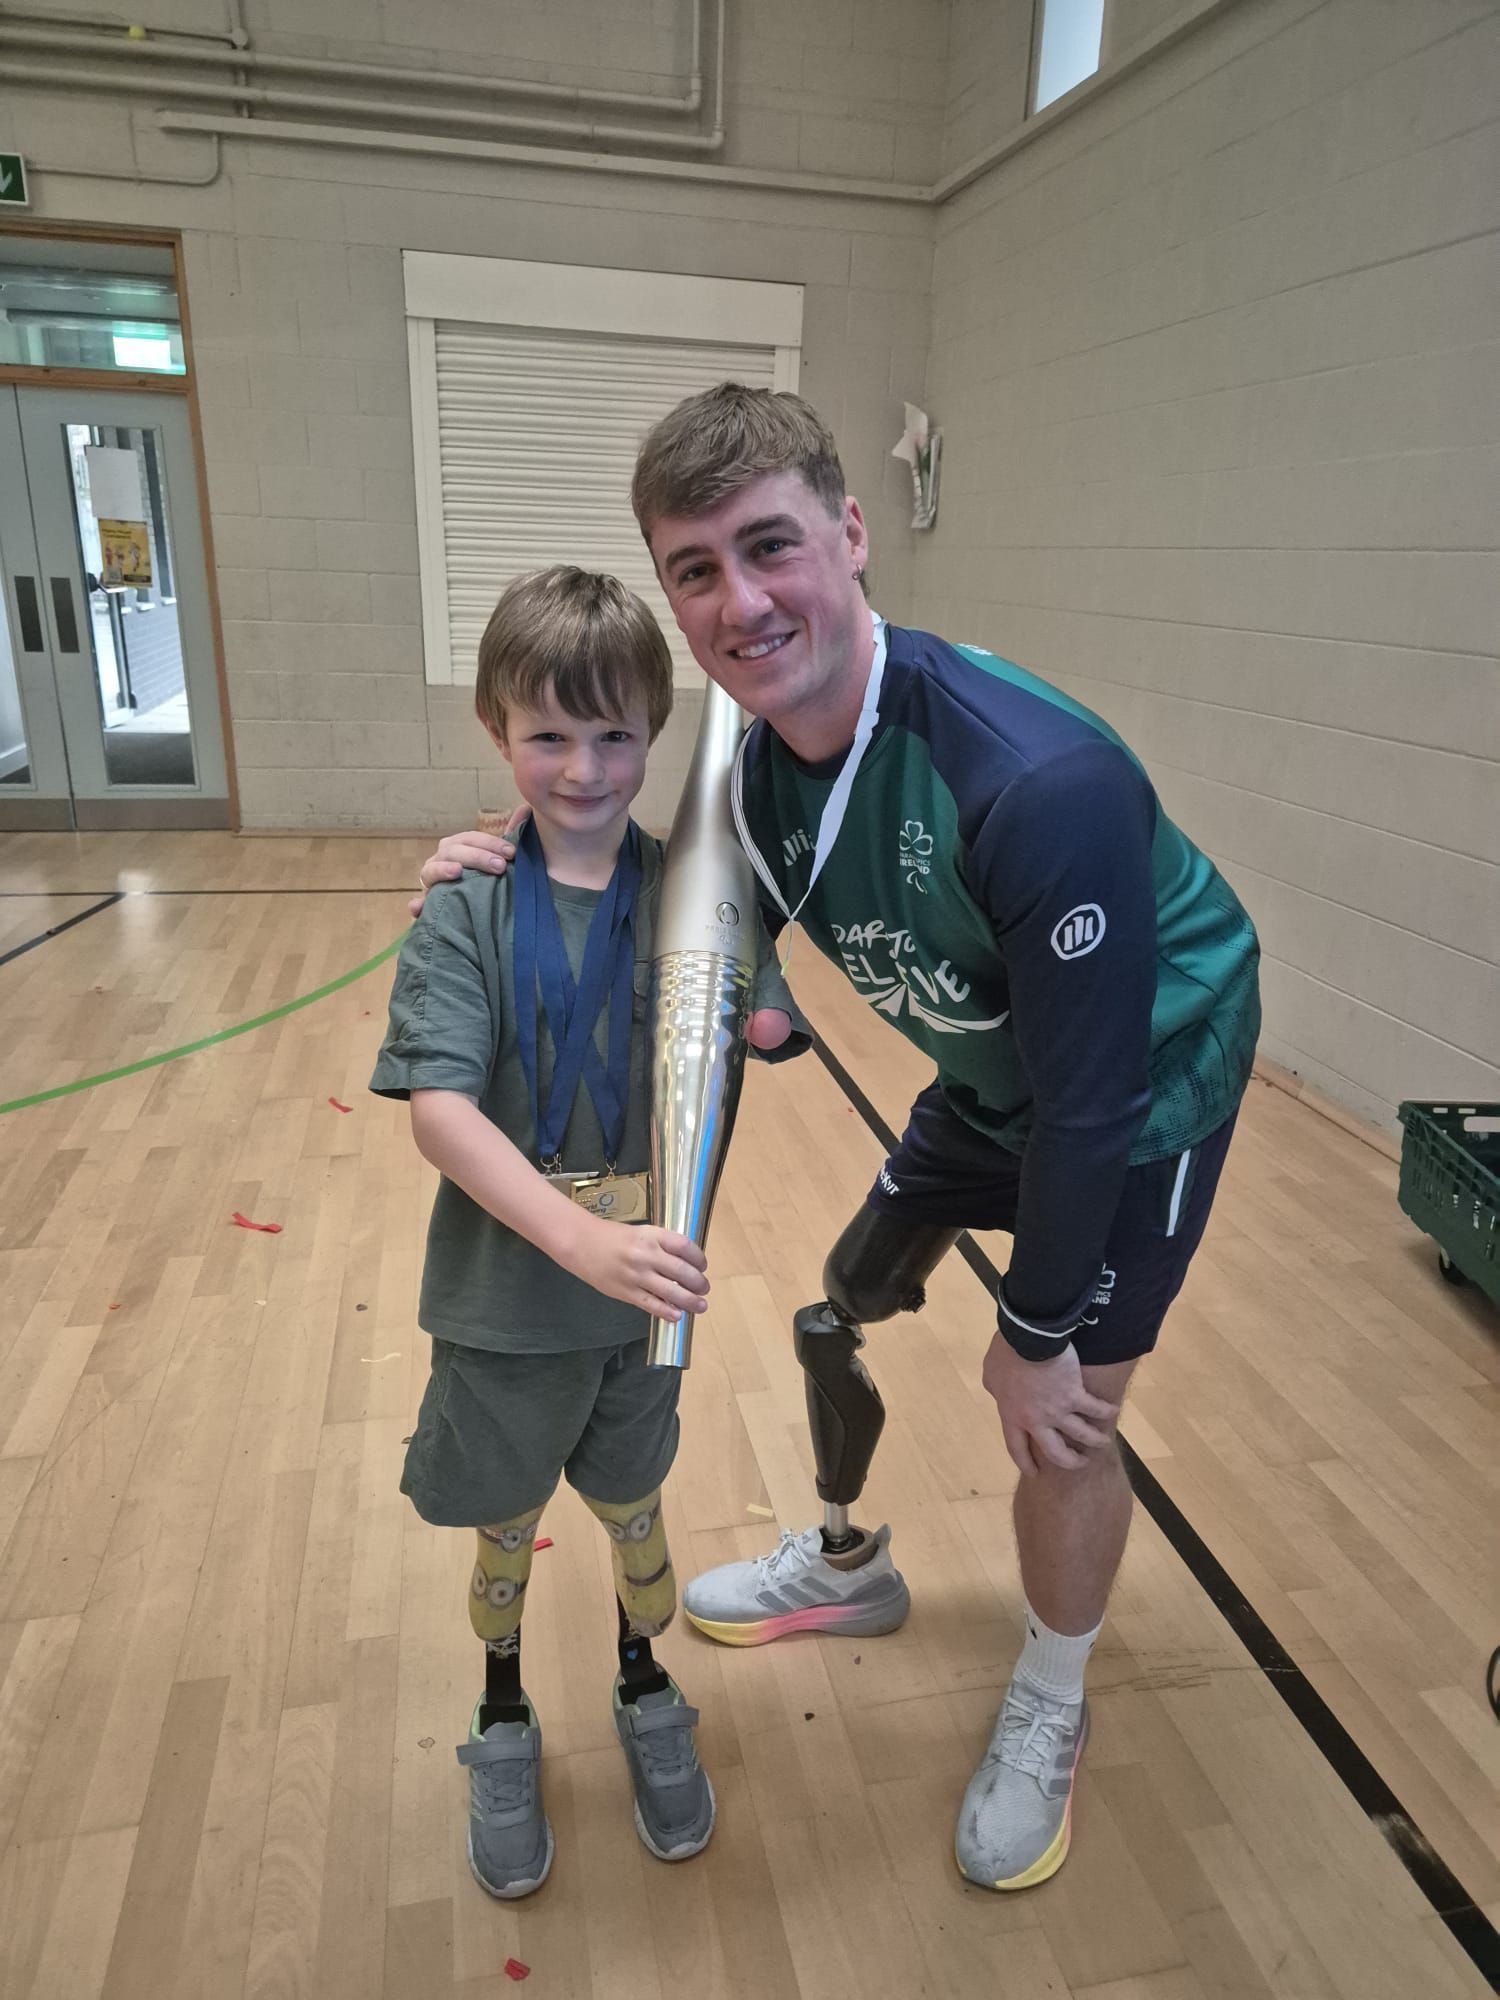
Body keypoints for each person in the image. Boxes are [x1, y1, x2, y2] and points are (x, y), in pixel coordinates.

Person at [414, 387, 1261, 1895]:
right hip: (993, 1072)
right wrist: (508, 847)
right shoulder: (754, 766)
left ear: (853, 533)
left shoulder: (1033, 784)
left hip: (1141, 1095)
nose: (739, 602)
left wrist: (1036, 1332)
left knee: (1061, 1415)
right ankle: (848, 1561)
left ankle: (1052, 1692)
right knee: (843, 1304)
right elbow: (653, 883)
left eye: (770, 546)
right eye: (695, 569)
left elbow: (1088, 1106)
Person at [375, 564, 806, 1900]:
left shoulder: (692, 889)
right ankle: (502, 1709)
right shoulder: (465, 903)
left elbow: (761, 1018)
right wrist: (580, 1241)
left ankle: (643, 1680)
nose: (583, 768)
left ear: (656, 732)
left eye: (615, 735)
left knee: (633, 1506)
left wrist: (763, 975)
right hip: (509, 1305)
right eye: (548, 735)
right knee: (506, 1524)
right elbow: (439, 1113)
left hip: (643, 1305)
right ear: (496, 731)